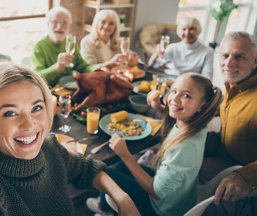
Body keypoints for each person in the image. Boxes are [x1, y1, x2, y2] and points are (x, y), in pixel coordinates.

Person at [0, 62, 140, 216]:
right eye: (10, 113)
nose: (29, 124)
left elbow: (84, 168)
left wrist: (122, 197)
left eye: (36, 108)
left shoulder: (49, 148)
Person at [87, 72, 222, 216]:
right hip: (178, 198)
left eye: (186, 95)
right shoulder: (197, 125)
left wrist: (125, 154)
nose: (174, 98)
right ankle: (106, 205)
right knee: (120, 166)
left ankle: (105, 210)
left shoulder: (185, 147)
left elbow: (156, 192)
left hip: (159, 209)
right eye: (174, 91)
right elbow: (177, 121)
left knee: (105, 173)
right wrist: (160, 108)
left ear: (202, 106)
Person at [200, 31, 257, 215]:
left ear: (255, 61)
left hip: (245, 168)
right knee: (175, 150)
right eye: (225, 55)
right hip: (223, 148)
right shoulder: (233, 86)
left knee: (181, 169)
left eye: (239, 56)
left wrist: (247, 176)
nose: (229, 62)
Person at [31, 6, 94, 87]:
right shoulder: (39, 47)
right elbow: (37, 78)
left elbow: (82, 65)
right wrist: (56, 67)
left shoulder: (70, 40)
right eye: (55, 22)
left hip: (70, 87)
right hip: (50, 90)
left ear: (69, 25)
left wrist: (94, 73)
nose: (59, 27)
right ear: (48, 24)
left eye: (64, 22)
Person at [148, 17, 213, 79]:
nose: (187, 33)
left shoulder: (207, 51)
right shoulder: (173, 47)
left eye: (191, 29)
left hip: (193, 85)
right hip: (172, 81)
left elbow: (207, 77)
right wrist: (157, 53)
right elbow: (153, 65)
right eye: (184, 29)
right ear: (179, 31)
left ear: (198, 30)